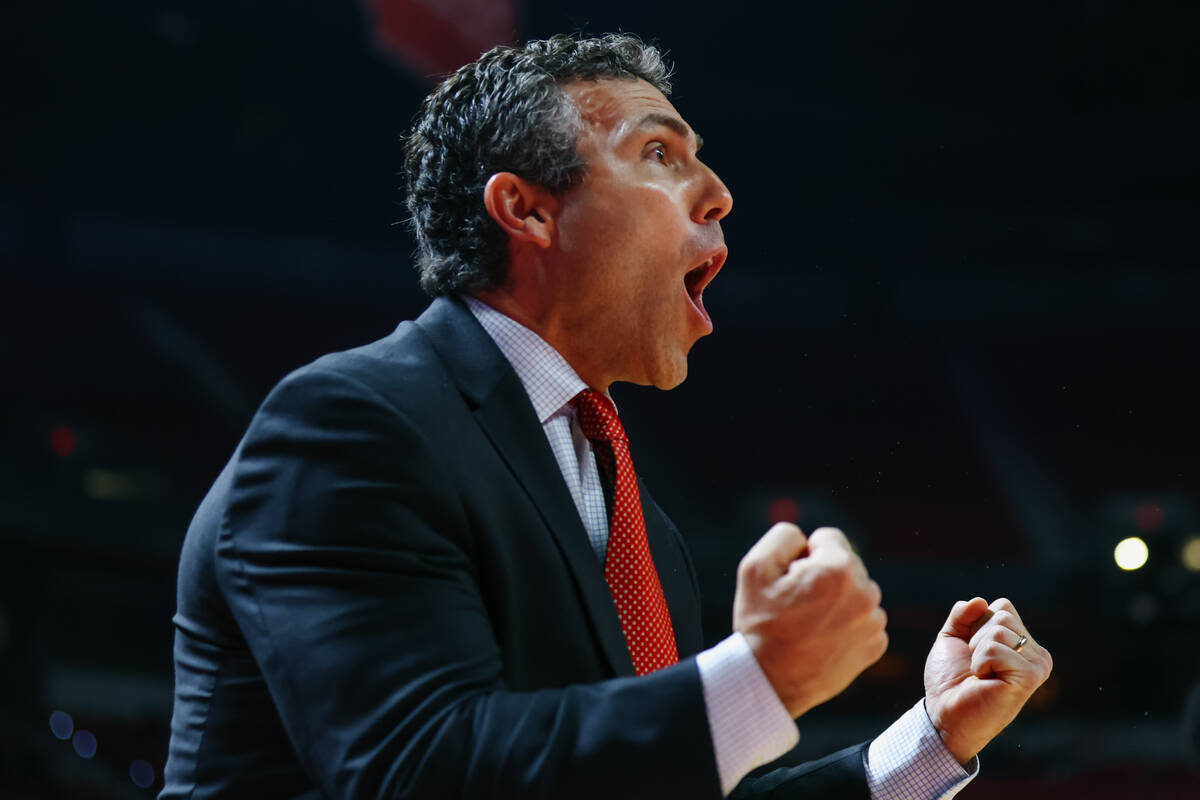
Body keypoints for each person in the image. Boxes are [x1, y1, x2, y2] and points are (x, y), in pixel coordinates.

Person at [161, 33, 1052, 799]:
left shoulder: (641, 524)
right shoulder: (354, 425)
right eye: (660, 153)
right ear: (527, 209)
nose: (718, 192)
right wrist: (760, 678)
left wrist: (931, 741)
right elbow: (415, 770)